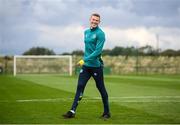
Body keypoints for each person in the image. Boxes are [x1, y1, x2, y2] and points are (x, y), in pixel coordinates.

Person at [62, 13, 110, 119]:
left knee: (101, 88)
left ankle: (107, 112)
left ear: (99, 22)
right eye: (93, 19)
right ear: (90, 20)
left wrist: (84, 60)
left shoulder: (101, 34)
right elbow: (89, 49)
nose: (94, 21)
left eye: (97, 20)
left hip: (96, 66)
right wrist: (85, 61)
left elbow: (97, 51)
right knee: (80, 86)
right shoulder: (86, 32)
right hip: (86, 66)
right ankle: (72, 111)